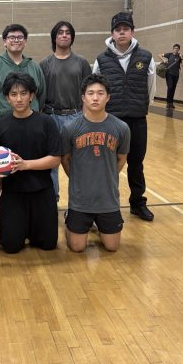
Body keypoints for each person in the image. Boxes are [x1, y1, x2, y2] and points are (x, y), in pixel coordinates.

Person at [93, 11, 156, 221]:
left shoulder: (146, 57)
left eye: (125, 29)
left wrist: (139, 107)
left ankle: (138, 203)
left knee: (136, 163)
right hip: (111, 121)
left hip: (138, 120)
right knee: (109, 164)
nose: (122, 33)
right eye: (118, 30)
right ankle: (107, 205)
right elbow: (96, 89)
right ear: (112, 33)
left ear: (132, 32)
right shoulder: (101, 60)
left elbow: (151, 89)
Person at [0, 73, 61, 254]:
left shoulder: (46, 122)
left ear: (32, 96)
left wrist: (25, 165)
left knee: (48, 245)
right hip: (13, 192)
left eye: (23, 93)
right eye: (13, 94)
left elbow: (55, 159)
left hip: (42, 190)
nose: (19, 98)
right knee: (10, 246)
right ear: (7, 98)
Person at [61, 74, 130, 252]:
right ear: (83, 98)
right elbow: (65, 159)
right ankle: (71, 218)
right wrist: (78, 177)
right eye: (90, 93)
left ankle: (99, 224)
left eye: (100, 93)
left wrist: (107, 176)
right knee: (77, 248)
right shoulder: (70, 128)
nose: (95, 97)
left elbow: (121, 159)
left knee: (112, 247)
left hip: (108, 199)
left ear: (108, 97)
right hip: (80, 199)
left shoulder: (121, 128)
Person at [40, 20, 92, 201]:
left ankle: (78, 202)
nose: (64, 35)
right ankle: (52, 200)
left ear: (72, 37)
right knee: (52, 162)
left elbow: (88, 91)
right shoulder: (45, 64)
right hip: (51, 116)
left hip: (75, 117)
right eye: (60, 32)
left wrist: (86, 117)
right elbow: (40, 94)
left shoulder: (82, 63)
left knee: (76, 162)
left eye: (67, 32)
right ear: (54, 37)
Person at [0, 24, 46, 128]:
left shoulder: (35, 67)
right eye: (12, 37)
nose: (16, 40)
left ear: (25, 41)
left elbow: (41, 96)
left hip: (30, 125)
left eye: (20, 37)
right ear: (4, 42)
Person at [159, 44, 183, 109]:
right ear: (173, 49)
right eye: (175, 48)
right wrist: (163, 59)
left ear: (179, 49)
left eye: (177, 48)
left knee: (173, 89)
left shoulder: (180, 56)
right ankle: (168, 103)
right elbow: (159, 54)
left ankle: (171, 103)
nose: (176, 49)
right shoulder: (169, 54)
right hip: (169, 74)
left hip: (176, 75)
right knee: (170, 87)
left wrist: (182, 58)